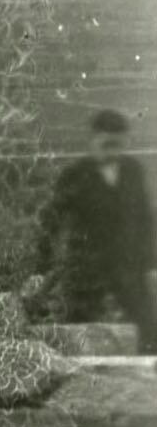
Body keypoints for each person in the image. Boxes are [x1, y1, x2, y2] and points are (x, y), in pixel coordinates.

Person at [26, 107, 156, 352]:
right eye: (106, 144)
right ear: (94, 140)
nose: (111, 151)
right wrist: (41, 268)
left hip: (128, 266)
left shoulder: (133, 171)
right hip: (87, 270)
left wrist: (150, 263)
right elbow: (50, 221)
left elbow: (145, 219)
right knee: (79, 328)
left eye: (117, 145)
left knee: (148, 326)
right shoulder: (74, 175)